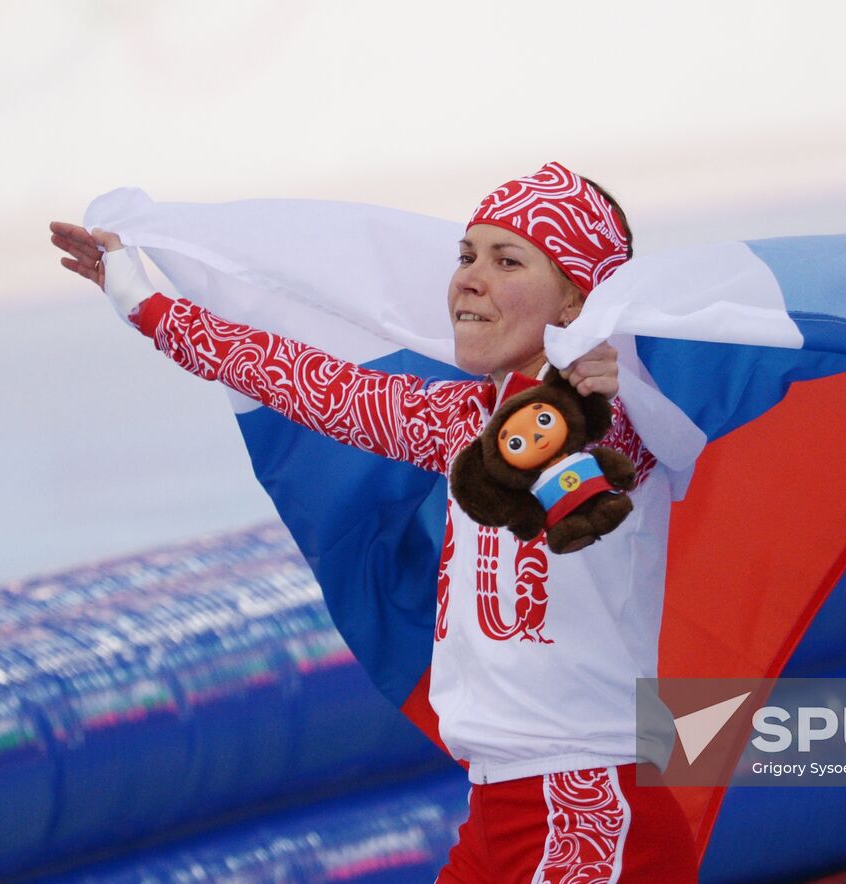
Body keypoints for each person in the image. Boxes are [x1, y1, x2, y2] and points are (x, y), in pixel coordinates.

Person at [50, 162, 700, 882]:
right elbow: (300, 378)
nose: (469, 278)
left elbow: (635, 445)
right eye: (466, 256)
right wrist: (143, 302)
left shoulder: (612, 420)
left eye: (506, 260)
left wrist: (620, 383)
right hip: (499, 809)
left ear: (577, 301)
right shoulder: (459, 427)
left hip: (587, 811)